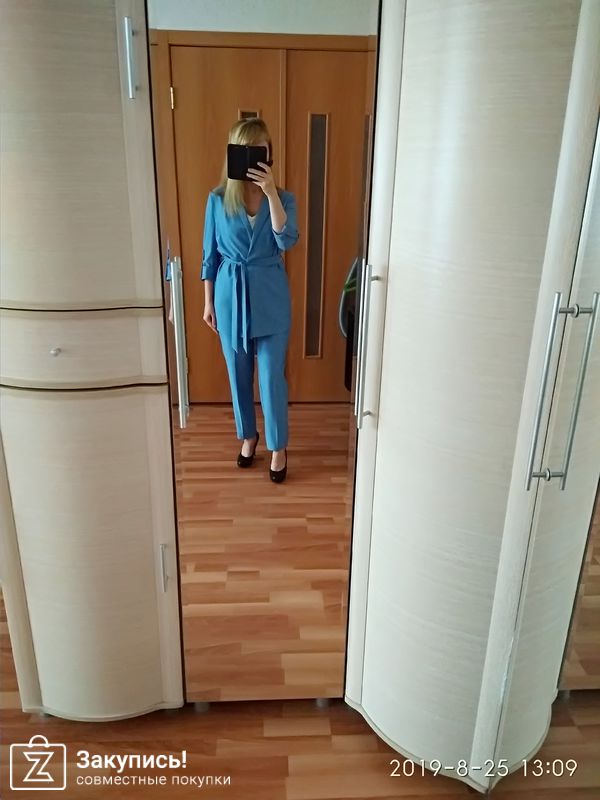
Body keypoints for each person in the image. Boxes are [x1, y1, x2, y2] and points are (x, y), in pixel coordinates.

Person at [200, 118, 299, 483]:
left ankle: (278, 446)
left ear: (268, 153)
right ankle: (248, 435)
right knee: (238, 373)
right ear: (233, 154)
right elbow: (209, 256)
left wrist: (271, 193)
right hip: (230, 296)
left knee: (271, 377)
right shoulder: (217, 200)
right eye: (245, 150)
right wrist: (208, 302)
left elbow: (287, 240)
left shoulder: (284, 199)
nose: (253, 157)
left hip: (271, 296)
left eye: (260, 149)